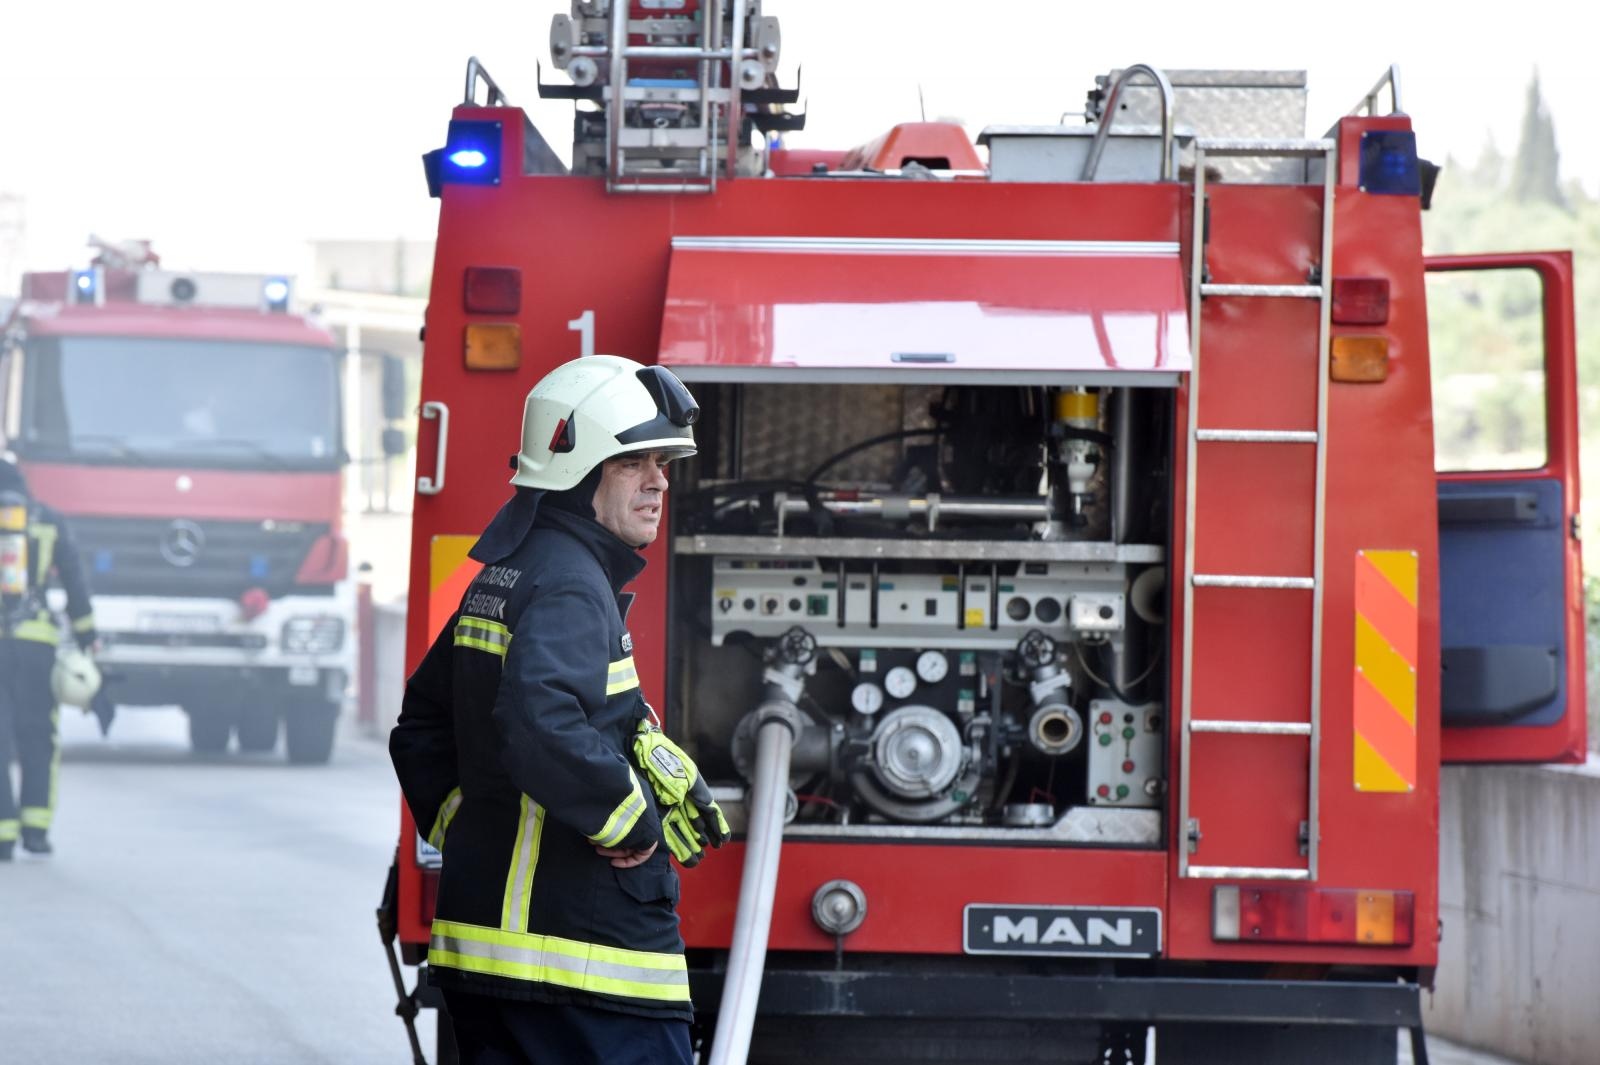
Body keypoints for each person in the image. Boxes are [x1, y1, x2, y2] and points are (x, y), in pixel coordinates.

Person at [390, 356, 731, 1065]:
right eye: (634, 461)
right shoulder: (573, 585)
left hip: (493, 957)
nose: (658, 482)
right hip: (581, 967)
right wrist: (628, 817)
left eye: (663, 463)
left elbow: (421, 725)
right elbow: (542, 720)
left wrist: (472, 823)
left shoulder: (508, 572)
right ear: (580, 472)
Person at [0, 456, 97, 861]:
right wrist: (87, 633)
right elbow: (74, 578)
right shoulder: (49, 519)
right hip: (37, 643)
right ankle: (36, 830)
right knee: (40, 736)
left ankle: (2, 835)